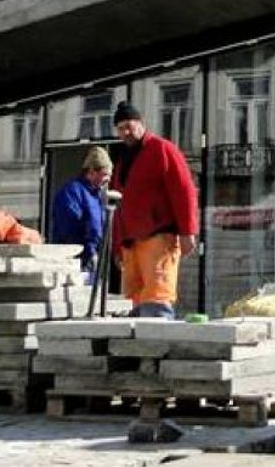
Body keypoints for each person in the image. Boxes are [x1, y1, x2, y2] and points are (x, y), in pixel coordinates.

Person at [108, 102, 198, 319]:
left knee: (157, 295)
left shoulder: (161, 149)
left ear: (141, 124)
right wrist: (118, 245)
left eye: (129, 126)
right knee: (133, 298)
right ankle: (136, 339)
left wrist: (187, 231)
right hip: (131, 241)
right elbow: (119, 206)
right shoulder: (124, 159)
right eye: (120, 128)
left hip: (158, 235)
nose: (125, 132)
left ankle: (156, 336)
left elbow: (184, 190)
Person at [49, 146, 111, 281]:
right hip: (74, 261)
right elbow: (70, 229)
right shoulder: (72, 192)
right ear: (92, 171)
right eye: (105, 174)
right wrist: (89, 251)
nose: (108, 179)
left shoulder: (96, 196)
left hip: (89, 260)